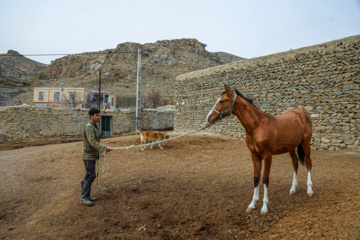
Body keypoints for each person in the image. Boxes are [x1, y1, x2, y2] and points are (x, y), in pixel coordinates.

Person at [80, 108, 112, 206]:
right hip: (88, 155)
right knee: (91, 175)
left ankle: (86, 196)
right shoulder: (89, 127)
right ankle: (84, 197)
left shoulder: (94, 126)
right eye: (96, 115)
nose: (98, 117)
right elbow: (92, 142)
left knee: (88, 175)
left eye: (99, 115)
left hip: (92, 154)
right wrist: (104, 147)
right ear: (91, 116)